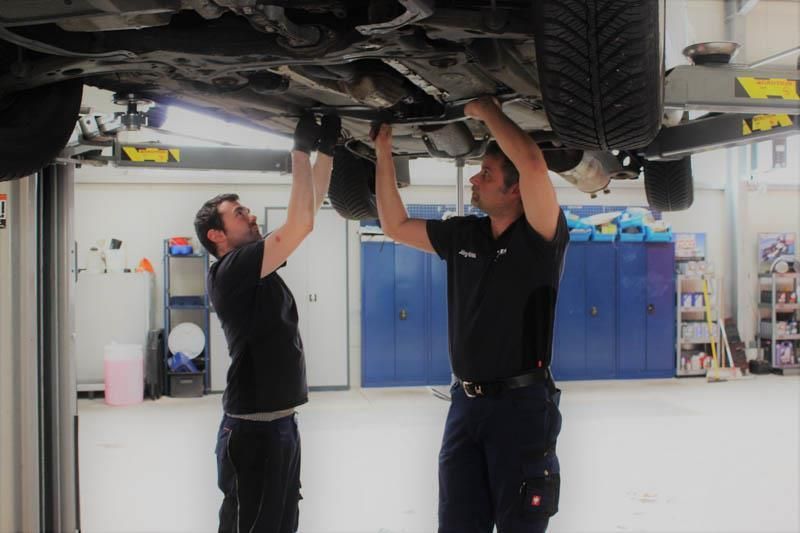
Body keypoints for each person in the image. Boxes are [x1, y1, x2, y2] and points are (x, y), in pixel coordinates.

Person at [373, 96, 568, 532]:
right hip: (465, 405)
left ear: (514, 189)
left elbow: (534, 165)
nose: (476, 180)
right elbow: (395, 226)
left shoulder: (539, 238)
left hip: (521, 407)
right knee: (457, 522)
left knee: (520, 522)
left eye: (487, 174)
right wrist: (383, 154)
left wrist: (489, 112)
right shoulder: (466, 233)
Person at [194, 113, 340, 532]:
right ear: (216, 236)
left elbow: (307, 212)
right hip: (252, 433)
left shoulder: (255, 268)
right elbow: (302, 224)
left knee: (282, 523)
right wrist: (299, 150)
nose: (252, 216)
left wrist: (325, 153)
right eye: (239, 213)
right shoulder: (231, 271)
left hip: (280, 425)